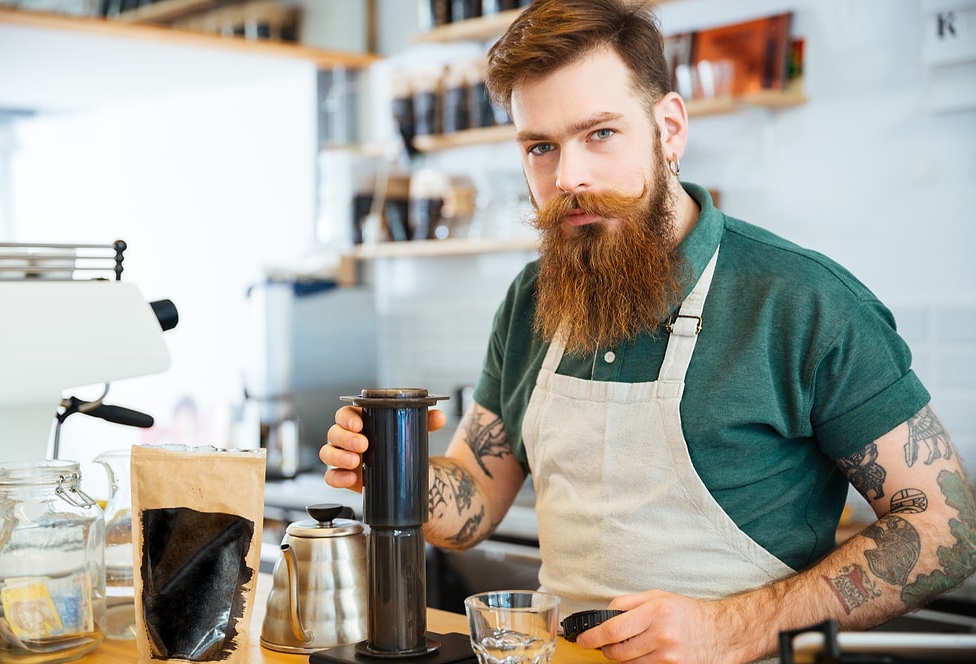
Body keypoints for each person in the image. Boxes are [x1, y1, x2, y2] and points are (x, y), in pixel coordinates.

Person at [321, 1, 976, 661]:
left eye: (600, 133)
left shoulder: (802, 301)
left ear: (669, 128)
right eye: (540, 146)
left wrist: (735, 627)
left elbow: (946, 528)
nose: (568, 176)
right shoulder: (532, 299)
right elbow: (473, 505)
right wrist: (390, 469)